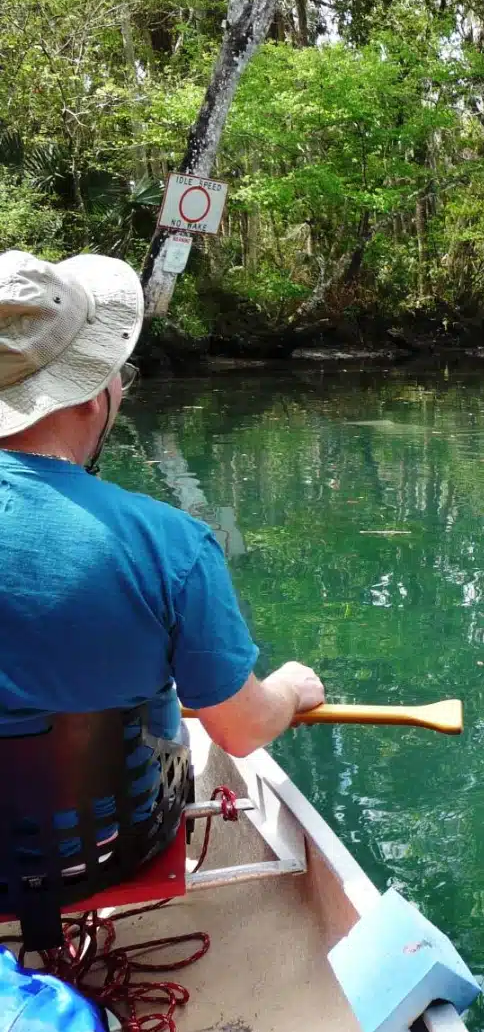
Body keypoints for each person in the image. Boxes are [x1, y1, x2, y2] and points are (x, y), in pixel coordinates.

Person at [0, 249, 324, 756]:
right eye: (117, 374)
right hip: (105, 834)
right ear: (90, 392)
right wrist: (289, 690)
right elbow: (242, 731)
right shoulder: (170, 544)